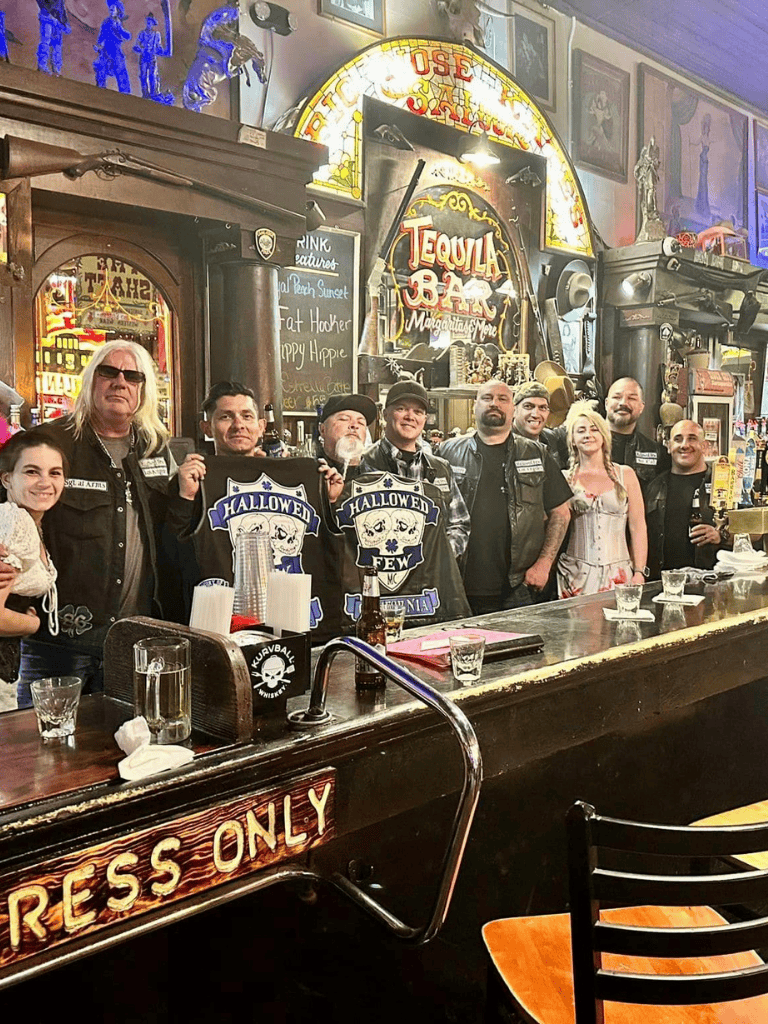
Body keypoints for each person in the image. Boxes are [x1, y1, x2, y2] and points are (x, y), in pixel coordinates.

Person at [22, 341, 204, 703]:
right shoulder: (49, 442)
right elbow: (8, 510)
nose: (120, 381)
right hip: (58, 641)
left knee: (123, 747)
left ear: (142, 390)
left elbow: (169, 536)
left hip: (134, 637)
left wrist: (184, 497)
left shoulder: (155, 447)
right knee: (47, 751)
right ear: (91, 381)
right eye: (109, 372)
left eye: (132, 376)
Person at [441, 380, 572, 614]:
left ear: (512, 408)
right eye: (487, 398)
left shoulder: (537, 453)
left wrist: (544, 564)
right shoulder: (446, 453)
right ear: (474, 406)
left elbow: (561, 512)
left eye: (503, 399)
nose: (495, 404)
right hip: (457, 583)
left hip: (518, 586)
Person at [359, 381, 469, 560]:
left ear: (424, 420)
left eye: (418, 412)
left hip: (430, 580)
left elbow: (459, 524)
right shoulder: (365, 463)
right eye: (401, 409)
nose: (410, 416)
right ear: (385, 414)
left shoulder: (441, 468)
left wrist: (438, 557)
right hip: (378, 574)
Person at [557, 403, 648, 597]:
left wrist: (639, 571)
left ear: (604, 437)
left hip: (619, 572)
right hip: (575, 573)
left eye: (594, 429)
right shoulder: (565, 478)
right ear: (572, 440)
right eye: (580, 430)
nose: (588, 435)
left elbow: (638, 526)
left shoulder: (626, 475)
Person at [0, 433, 67, 688]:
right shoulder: (14, 523)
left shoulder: (31, 521)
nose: (45, 482)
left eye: (54, 473)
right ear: (7, 478)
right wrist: (33, 623)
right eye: (31, 472)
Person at [644, 419, 723, 579]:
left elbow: (751, 530)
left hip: (711, 583)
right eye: (678, 439)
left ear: (705, 445)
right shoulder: (653, 487)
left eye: (692, 438)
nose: (684, 445)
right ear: (668, 446)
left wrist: (721, 535)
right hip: (661, 584)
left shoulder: (722, 482)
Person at [605, 377, 670, 492]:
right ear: (606, 403)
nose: (623, 403)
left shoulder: (657, 452)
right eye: (617, 397)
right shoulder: (583, 443)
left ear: (641, 407)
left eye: (632, 398)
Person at [316, 393, 377, 478]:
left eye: (361, 423)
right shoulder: (309, 473)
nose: (354, 425)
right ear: (322, 430)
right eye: (344, 419)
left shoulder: (376, 479)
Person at [511, 379, 569, 468]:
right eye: (528, 406)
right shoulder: (502, 443)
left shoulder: (552, 439)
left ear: (548, 413)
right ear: (514, 411)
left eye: (542, 407)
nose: (535, 414)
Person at [200, 380, 265, 457]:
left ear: (261, 427)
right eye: (225, 417)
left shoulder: (276, 468)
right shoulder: (196, 468)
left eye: (247, 416)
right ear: (207, 428)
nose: (238, 426)